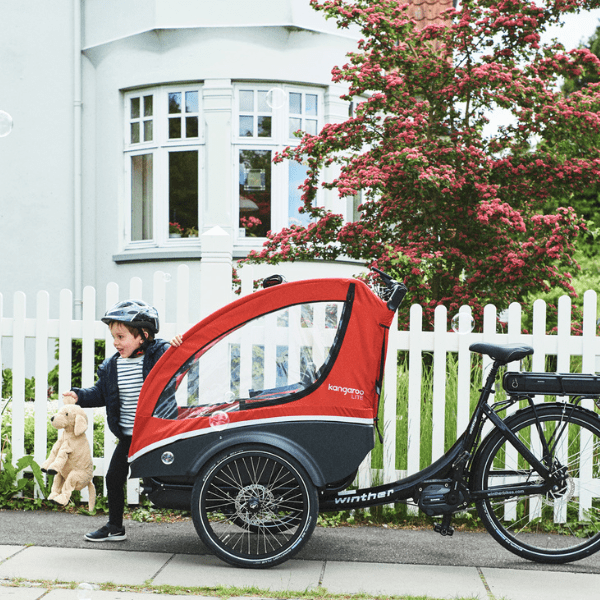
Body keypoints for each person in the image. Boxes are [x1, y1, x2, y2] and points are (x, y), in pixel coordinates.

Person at [63, 299, 176, 542]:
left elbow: (177, 364)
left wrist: (176, 347)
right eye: (114, 336)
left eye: (121, 336)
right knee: (113, 477)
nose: (116, 342)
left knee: (166, 480)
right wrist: (79, 396)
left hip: (155, 433)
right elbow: (101, 393)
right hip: (129, 437)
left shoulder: (159, 355)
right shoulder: (112, 366)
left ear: (143, 335)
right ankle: (115, 526)